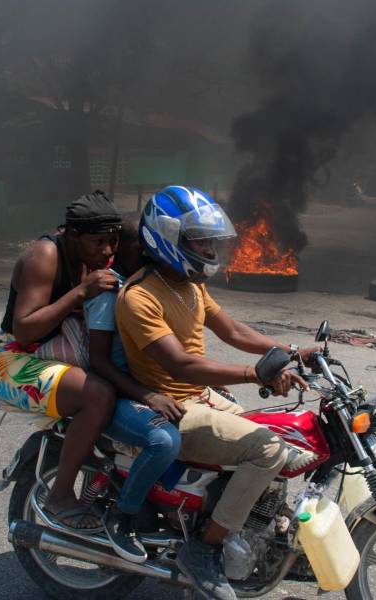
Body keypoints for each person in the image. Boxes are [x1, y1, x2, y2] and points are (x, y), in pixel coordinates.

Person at [115, 186, 316, 600]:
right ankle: (203, 550)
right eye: (199, 240)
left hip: (201, 395)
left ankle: (255, 529)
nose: (208, 249)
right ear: (167, 239)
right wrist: (255, 374)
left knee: (283, 439)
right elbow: (181, 366)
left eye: (210, 240)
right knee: (267, 450)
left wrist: (291, 350)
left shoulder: (190, 285)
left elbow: (234, 331)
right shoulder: (139, 297)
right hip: (173, 405)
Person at [0, 191, 121, 532]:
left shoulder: (89, 256)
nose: (107, 251)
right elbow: (24, 329)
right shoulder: (44, 255)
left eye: (112, 241)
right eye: (98, 242)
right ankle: (60, 496)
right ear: (72, 235)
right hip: (13, 361)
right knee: (98, 394)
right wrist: (80, 292)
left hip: (58, 349)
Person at [82, 214, 182, 563]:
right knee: (164, 441)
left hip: (140, 385)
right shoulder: (111, 294)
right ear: (121, 248)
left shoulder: (143, 284)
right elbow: (99, 361)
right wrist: (148, 396)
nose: (151, 254)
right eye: (143, 247)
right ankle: (123, 517)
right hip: (117, 394)